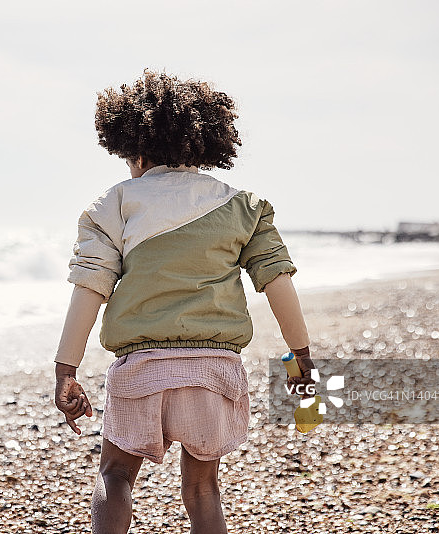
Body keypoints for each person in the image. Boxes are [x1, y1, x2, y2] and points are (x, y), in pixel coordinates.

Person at [54, 69, 315, 534]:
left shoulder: (113, 205)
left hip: (141, 367)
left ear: (135, 151)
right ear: (203, 146)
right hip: (213, 369)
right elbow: (277, 283)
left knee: (115, 475)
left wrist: (66, 370)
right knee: (202, 491)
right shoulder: (243, 206)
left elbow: (89, 288)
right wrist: (302, 358)